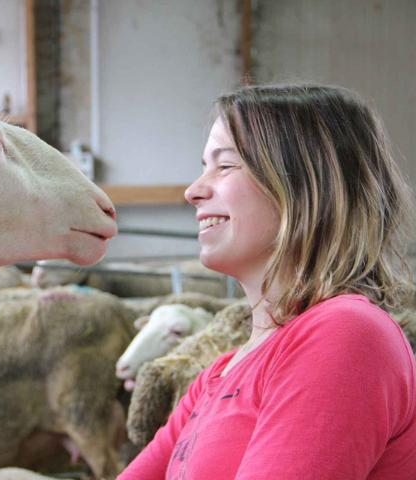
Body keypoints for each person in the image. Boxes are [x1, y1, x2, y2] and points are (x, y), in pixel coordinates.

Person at [117, 84, 416, 479]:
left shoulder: (345, 334)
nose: (193, 191)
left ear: (304, 186)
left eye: (224, 166)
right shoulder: (219, 373)